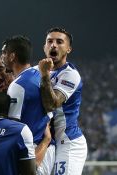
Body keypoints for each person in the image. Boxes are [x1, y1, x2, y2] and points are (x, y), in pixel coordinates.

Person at [1, 35, 54, 174]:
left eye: (4, 53)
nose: (2, 57)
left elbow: (13, 127)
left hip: (31, 154)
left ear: (12, 56)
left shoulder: (18, 86)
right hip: (46, 151)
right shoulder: (39, 75)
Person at [39, 27, 87, 175]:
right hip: (48, 143)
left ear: (68, 49)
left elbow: (52, 104)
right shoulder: (38, 70)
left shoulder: (70, 74)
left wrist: (45, 76)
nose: (53, 45)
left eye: (59, 42)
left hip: (68, 142)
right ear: (44, 47)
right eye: (49, 41)